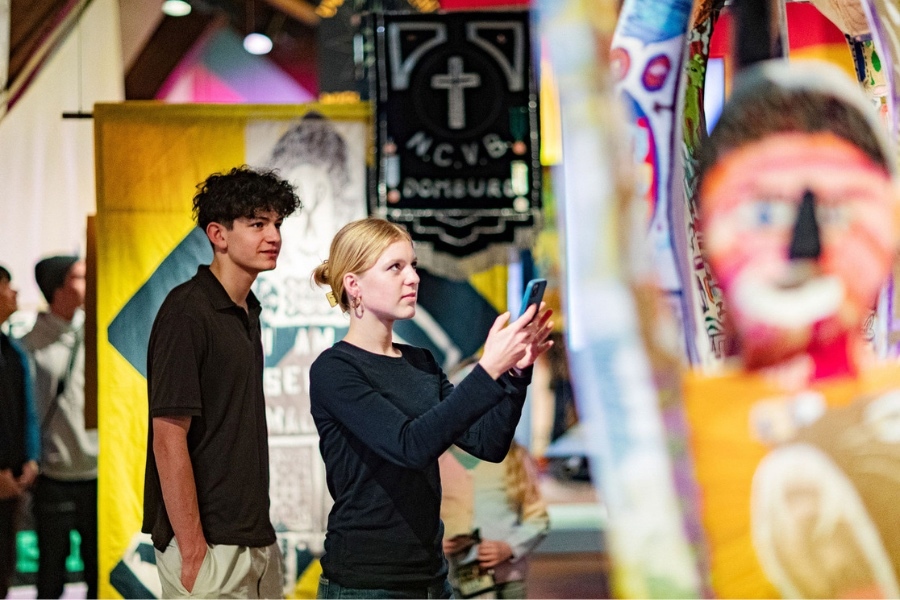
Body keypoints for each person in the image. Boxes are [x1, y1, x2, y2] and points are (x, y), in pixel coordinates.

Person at [309, 217, 554, 599]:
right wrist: (488, 369)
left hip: (431, 581)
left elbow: (488, 444)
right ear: (353, 285)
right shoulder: (335, 370)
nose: (412, 278)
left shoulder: (420, 361)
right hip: (366, 585)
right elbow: (410, 446)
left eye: (413, 265)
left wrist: (515, 374)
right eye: (395, 267)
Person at [141, 166, 301, 599]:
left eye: (276, 224)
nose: (274, 236)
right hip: (208, 545)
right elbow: (168, 439)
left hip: (255, 536)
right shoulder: (186, 313)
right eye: (257, 224)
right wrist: (193, 551)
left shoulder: (248, 309)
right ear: (218, 234)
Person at [22, 254, 96, 599]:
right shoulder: (30, 346)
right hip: (53, 476)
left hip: (97, 474)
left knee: (100, 566)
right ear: (57, 288)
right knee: (52, 567)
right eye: (78, 277)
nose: (87, 282)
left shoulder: (94, 333)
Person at [439, 439, 549, 599]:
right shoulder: (435, 458)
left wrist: (510, 547)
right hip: (449, 579)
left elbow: (538, 517)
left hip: (506, 581)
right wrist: (436, 544)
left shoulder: (515, 456)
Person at [0, 265, 39, 597]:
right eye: (7, 286)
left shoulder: (12, 350)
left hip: (11, 481)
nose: (15, 293)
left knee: (4, 564)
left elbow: (26, 412)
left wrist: (31, 457)